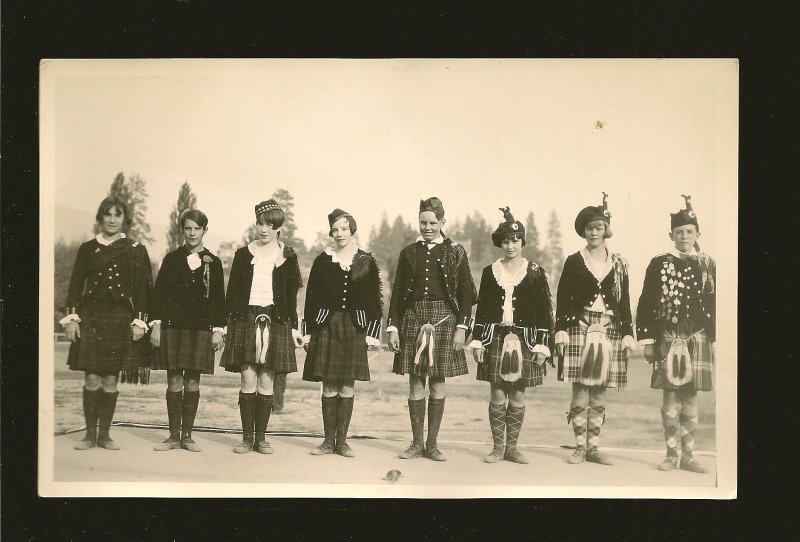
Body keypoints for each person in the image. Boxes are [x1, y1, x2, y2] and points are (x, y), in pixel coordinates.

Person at [387, 197, 477, 462]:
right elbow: (397, 293)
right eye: (423, 222)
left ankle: (433, 445)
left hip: (444, 321)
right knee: (415, 382)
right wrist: (393, 327)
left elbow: (465, 295)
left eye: (432, 223)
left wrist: (462, 328)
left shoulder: (455, 251)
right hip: (413, 319)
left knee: (438, 381)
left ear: (442, 223)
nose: (427, 227)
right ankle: (416, 444)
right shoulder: (408, 252)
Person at [60, 195, 153, 450]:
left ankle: (105, 435)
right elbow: (75, 286)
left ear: (125, 219)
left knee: (111, 380)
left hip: (120, 319)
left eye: (117, 215)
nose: (112, 219)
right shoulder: (87, 249)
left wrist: (139, 322)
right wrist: (71, 319)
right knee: (91, 378)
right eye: (108, 214)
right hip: (90, 318)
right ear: (100, 218)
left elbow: (145, 291)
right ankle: (89, 435)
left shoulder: (135, 249)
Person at [555, 193, 636, 466]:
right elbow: (563, 297)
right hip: (579, 327)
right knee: (580, 390)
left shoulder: (620, 263)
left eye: (599, 227)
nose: (594, 232)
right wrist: (561, 329)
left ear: (606, 230)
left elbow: (624, 300)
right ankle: (579, 447)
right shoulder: (574, 260)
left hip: (610, 328)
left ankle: (593, 448)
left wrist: (627, 332)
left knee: (599, 391)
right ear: (583, 231)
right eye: (589, 228)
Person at [636, 195, 716, 474]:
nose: (684, 236)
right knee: (669, 396)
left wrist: (716, 340)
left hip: (698, 336)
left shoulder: (708, 264)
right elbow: (646, 302)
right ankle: (671, 454)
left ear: (697, 234)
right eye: (679, 232)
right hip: (667, 335)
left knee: (691, 396)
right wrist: (647, 341)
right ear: (671, 234)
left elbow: (715, 303)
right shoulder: (659, 263)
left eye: (689, 232)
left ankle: (689, 456)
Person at [469, 207, 555, 464]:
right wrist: (478, 341)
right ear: (500, 243)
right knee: (497, 392)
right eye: (506, 240)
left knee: (517, 393)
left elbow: (544, 311)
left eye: (515, 240)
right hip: (495, 336)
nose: (510, 245)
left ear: (523, 242)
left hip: (525, 340)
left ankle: (512, 448)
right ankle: (497, 447)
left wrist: (542, 346)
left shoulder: (536, 272)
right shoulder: (489, 272)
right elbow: (483, 310)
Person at [219, 200, 304, 454]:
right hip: (246, 319)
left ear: (279, 227)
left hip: (276, 320)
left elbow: (291, 297)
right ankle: (246, 438)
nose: (264, 229)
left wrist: (294, 327)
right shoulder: (243, 254)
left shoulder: (287, 255)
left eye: (270, 224)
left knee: (267, 382)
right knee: (248, 380)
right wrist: (226, 325)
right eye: (260, 223)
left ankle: (261, 438)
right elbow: (233, 293)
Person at [302, 209, 383, 457]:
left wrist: (371, 332)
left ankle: (342, 442)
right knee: (328, 386)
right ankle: (328, 442)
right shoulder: (322, 261)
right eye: (335, 230)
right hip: (326, 325)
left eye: (344, 229)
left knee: (347, 385)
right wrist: (307, 332)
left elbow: (374, 300)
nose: (339, 234)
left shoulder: (366, 260)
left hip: (354, 327)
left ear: (352, 230)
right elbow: (311, 298)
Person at [149, 209, 225, 452]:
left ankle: (187, 436)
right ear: (183, 230)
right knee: (174, 381)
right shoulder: (171, 259)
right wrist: (157, 325)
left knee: (192, 382)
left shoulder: (214, 262)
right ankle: (172, 436)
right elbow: (159, 296)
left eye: (197, 229)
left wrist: (217, 330)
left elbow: (218, 300)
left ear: (205, 231)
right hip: (173, 329)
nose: (192, 233)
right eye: (188, 228)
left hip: (200, 330)